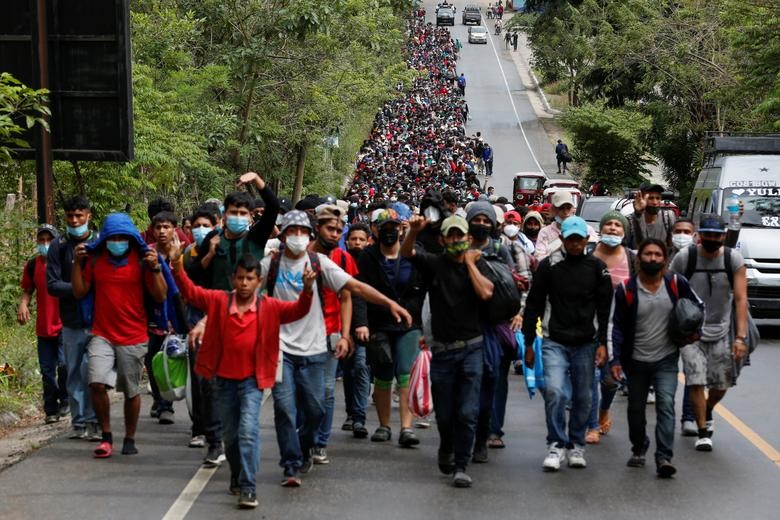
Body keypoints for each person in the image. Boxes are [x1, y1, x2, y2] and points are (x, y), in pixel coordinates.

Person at [260, 210, 411, 487]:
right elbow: (241, 292)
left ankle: (306, 446)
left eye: (301, 232)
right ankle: (291, 465)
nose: (296, 237)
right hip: (280, 349)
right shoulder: (270, 265)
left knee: (317, 408)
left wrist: (389, 303)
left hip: (316, 349)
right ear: (283, 235)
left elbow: (354, 288)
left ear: (309, 235)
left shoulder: (320, 264)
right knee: (283, 408)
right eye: (291, 232)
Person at [171, 245, 316, 509]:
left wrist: (307, 291)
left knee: (248, 433)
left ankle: (248, 487)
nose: (244, 283)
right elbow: (191, 293)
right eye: (240, 278)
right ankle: (237, 476)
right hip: (222, 381)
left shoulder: (269, 306)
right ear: (233, 279)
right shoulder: (218, 301)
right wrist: (178, 268)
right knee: (231, 437)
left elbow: (297, 311)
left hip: (253, 382)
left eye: (250, 279)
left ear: (259, 282)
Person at [401, 214, 495, 488]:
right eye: (450, 236)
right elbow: (408, 253)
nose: (455, 240)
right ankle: (446, 447)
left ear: (467, 238)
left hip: (472, 348)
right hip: (442, 351)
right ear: (443, 239)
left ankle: (461, 465)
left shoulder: (478, 263)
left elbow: (487, 293)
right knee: (444, 413)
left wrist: (470, 264)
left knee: (466, 412)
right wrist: (413, 233)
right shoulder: (435, 263)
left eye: (460, 236)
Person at [71, 213, 168, 458]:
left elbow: (160, 296)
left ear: (131, 238)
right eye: (112, 237)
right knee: (96, 382)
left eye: (122, 237)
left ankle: (129, 437)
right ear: (104, 239)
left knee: (131, 391)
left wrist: (156, 268)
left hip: (134, 335)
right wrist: (76, 263)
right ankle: (106, 436)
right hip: (101, 333)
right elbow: (80, 291)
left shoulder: (142, 261)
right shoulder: (95, 261)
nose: (117, 241)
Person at [522, 216, 612, 471]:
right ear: (562, 239)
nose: (574, 244)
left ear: (586, 240)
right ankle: (556, 444)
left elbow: (605, 310)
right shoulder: (549, 267)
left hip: (586, 343)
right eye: (569, 239)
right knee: (555, 391)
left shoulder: (598, 269)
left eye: (578, 239)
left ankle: (576, 445)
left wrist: (604, 343)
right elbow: (534, 305)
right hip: (554, 341)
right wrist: (529, 343)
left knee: (584, 396)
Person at [610, 239, 703, 478]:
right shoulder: (626, 290)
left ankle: (664, 457)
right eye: (648, 254)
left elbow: (698, 307)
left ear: (665, 259)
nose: (653, 258)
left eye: (657, 254)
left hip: (666, 358)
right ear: (639, 258)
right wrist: (615, 360)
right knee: (636, 409)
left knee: (665, 405)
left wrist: (693, 331)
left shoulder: (675, 283)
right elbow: (616, 326)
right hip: (636, 360)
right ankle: (639, 447)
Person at [670, 214, 748, 452]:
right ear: (699, 235)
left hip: (722, 329)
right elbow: (669, 287)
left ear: (723, 236)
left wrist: (740, 337)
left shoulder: (733, 258)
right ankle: (703, 431)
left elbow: (742, 298)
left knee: (722, 383)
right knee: (696, 380)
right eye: (708, 235)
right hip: (691, 332)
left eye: (717, 235)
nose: (712, 239)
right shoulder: (686, 257)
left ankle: (708, 407)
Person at [357, 208, 427, 446]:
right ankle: (384, 425)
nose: (389, 232)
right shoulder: (367, 257)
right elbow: (360, 291)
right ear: (375, 230)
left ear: (401, 229)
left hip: (409, 323)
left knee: (406, 373)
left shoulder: (414, 255)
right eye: (384, 228)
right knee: (383, 373)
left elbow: (425, 288)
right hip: (379, 323)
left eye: (394, 227)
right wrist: (362, 324)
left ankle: (406, 427)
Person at [46, 195, 100, 441]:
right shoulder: (58, 246)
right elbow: (52, 284)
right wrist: (79, 288)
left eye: (79, 215)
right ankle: (79, 423)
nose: (75, 220)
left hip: (99, 320)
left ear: (89, 215)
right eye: (70, 216)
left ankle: (94, 421)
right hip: (71, 322)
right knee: (74, 373)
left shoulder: (101, 242)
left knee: (93, 372)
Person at [310, 205, 359, 464]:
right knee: (301, 390)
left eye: (339, 230)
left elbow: (347, 297)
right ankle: (302, 434)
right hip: (299, 335)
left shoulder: (343, 258)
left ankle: (320, 442)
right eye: (330, 229)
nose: (334, 234)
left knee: (327, 390)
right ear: (317, 228)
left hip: (330, 332)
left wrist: (345, 334)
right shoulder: (298, 255)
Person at [586, 211, 635, 443]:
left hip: (619, 327)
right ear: (601, 229)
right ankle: (591, 425)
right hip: (589, 324)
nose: (613, 228)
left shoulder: (632, 258)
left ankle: (604, 409)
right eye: (609, 225)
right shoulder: (588, 254)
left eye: (618, 225)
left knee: (610, 380)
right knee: (590, 377)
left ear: (624, 232)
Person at [18, 224, 67, 424]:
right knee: (47, 371)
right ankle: (51, 409)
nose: (45, 244)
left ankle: (65, 399)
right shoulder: (32, 265)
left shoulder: (64, 263)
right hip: (43, 327)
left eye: (49, 240)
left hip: (65, 324)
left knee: (65, 365)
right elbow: (28, 290)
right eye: (41, 240)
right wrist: (23, 305)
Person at [341, 223, 372, 437]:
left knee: (361, 367)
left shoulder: (371, 263)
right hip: (343, 326)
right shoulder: (341, 262)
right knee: (348, 371)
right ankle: (351, 412)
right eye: (354, 239)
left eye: (361, 239)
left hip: (366, 326)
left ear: (368, 240)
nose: (357, 243)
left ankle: (359, 416)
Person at [534, 191, 596, 261]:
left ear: (573, 209)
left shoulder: (587, 229)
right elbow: (539, 258)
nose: (565, 212)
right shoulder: (545, 232)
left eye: (568, 208)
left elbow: (594, 253)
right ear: (554, 210)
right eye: (561, 208)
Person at [625, 183, 675, 249]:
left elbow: (672, 246)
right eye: (650, 198)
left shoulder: (668, 217)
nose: (655, 202)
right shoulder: (630, 220)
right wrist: (637, 214)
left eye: (658, 198)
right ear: (641, 198)